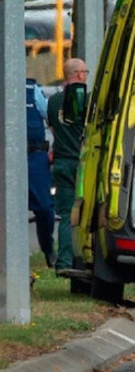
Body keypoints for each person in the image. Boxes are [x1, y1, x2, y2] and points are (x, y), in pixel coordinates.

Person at [47, 58, 89, 275]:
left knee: (65, 214)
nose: (87, 75)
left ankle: (63, 263)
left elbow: (53, 128)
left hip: (61, 163)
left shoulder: (53, 101)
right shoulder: (86, 100)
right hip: (80, 165)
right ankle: (82, 259)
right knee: (85, 213)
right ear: (79, 75)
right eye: (86, 72)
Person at [27, 78, 56, 268]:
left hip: (34, 157)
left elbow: (50, 118)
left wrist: (57, 146)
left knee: (45, 208)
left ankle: (48, 249)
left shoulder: (32, 89)